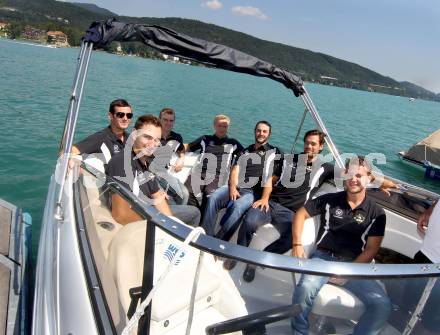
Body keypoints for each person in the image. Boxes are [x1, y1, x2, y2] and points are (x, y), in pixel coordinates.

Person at [290, 156, 391, 335]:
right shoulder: (330, 199)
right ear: (344, 175)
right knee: (305, 288)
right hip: (323, 258)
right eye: (350, 174)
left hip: (355, 265)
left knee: (382, 305)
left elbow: (372, 249)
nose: (354, 179)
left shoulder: (377, 213)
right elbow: (300, 214)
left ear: (369, 178)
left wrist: (349, 271)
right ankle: (299, 331)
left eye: (359, 175)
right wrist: (297, 243)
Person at [226, 130, 333, 281]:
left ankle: (256, 262)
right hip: (270, 204)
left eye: (313, 144)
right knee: (249, 221)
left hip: (291, 213)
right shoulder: (288, 159)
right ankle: (238, 254)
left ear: (321, 146)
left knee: (292, 238)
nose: (309, 146)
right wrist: (264, 198)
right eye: (307, 142)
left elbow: (349, 174)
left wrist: (376, 181)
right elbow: (271, 179)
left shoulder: (326, 168)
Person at [106, 115, 200, 226]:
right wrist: (160, 226)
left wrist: (170, 223)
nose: (152, 144)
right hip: (141, 221)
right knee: (194, 213)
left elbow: (157, 196)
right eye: (147, 137)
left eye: (157, 140)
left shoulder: (145, 163)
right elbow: (121, 215)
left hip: (149, 210)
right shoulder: (122, 163)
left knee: (189, 208)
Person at [202, 120, 282, 240]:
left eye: (265, 131)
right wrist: (233, 188)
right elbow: (235, 171)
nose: (261, 133)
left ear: (269, 134)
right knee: (213, 198)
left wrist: (265, 196)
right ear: (254, 132)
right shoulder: (245, 151)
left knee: (238, 206)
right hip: (236, 187)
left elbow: (275, 175)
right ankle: (205, 236)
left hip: (253, 193)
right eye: (259, 130)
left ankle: (219, 240)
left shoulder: (275, 153)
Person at [185, 114, 243, 213]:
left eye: (225, 126)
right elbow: (188, 146)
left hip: (218, 177)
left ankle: (202, 223)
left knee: (210, 197)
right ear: (214, 126)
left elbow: (246, 156)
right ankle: (192, 216)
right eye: (220, 125)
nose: (222, 128)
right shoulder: (205, 139)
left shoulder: (233, 143)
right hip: (198, 174)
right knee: (188, 192)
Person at [71, 99, 133, 163]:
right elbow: (70, 151)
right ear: (110, 116)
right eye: (120, 115)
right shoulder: (100, 138)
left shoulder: (131, 139)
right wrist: (72, 162)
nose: (125, 118)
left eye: (129, 115)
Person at [156, 107, 189, 205]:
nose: (168, 123)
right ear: (159, 120)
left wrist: (182, 158)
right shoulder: (153, 135)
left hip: (164, 173)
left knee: (184, 194)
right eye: (165, 120)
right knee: (164, 199)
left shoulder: (176, 137)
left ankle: (178, 218)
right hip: (149, 172)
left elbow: (181, 150)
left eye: (171, 120)